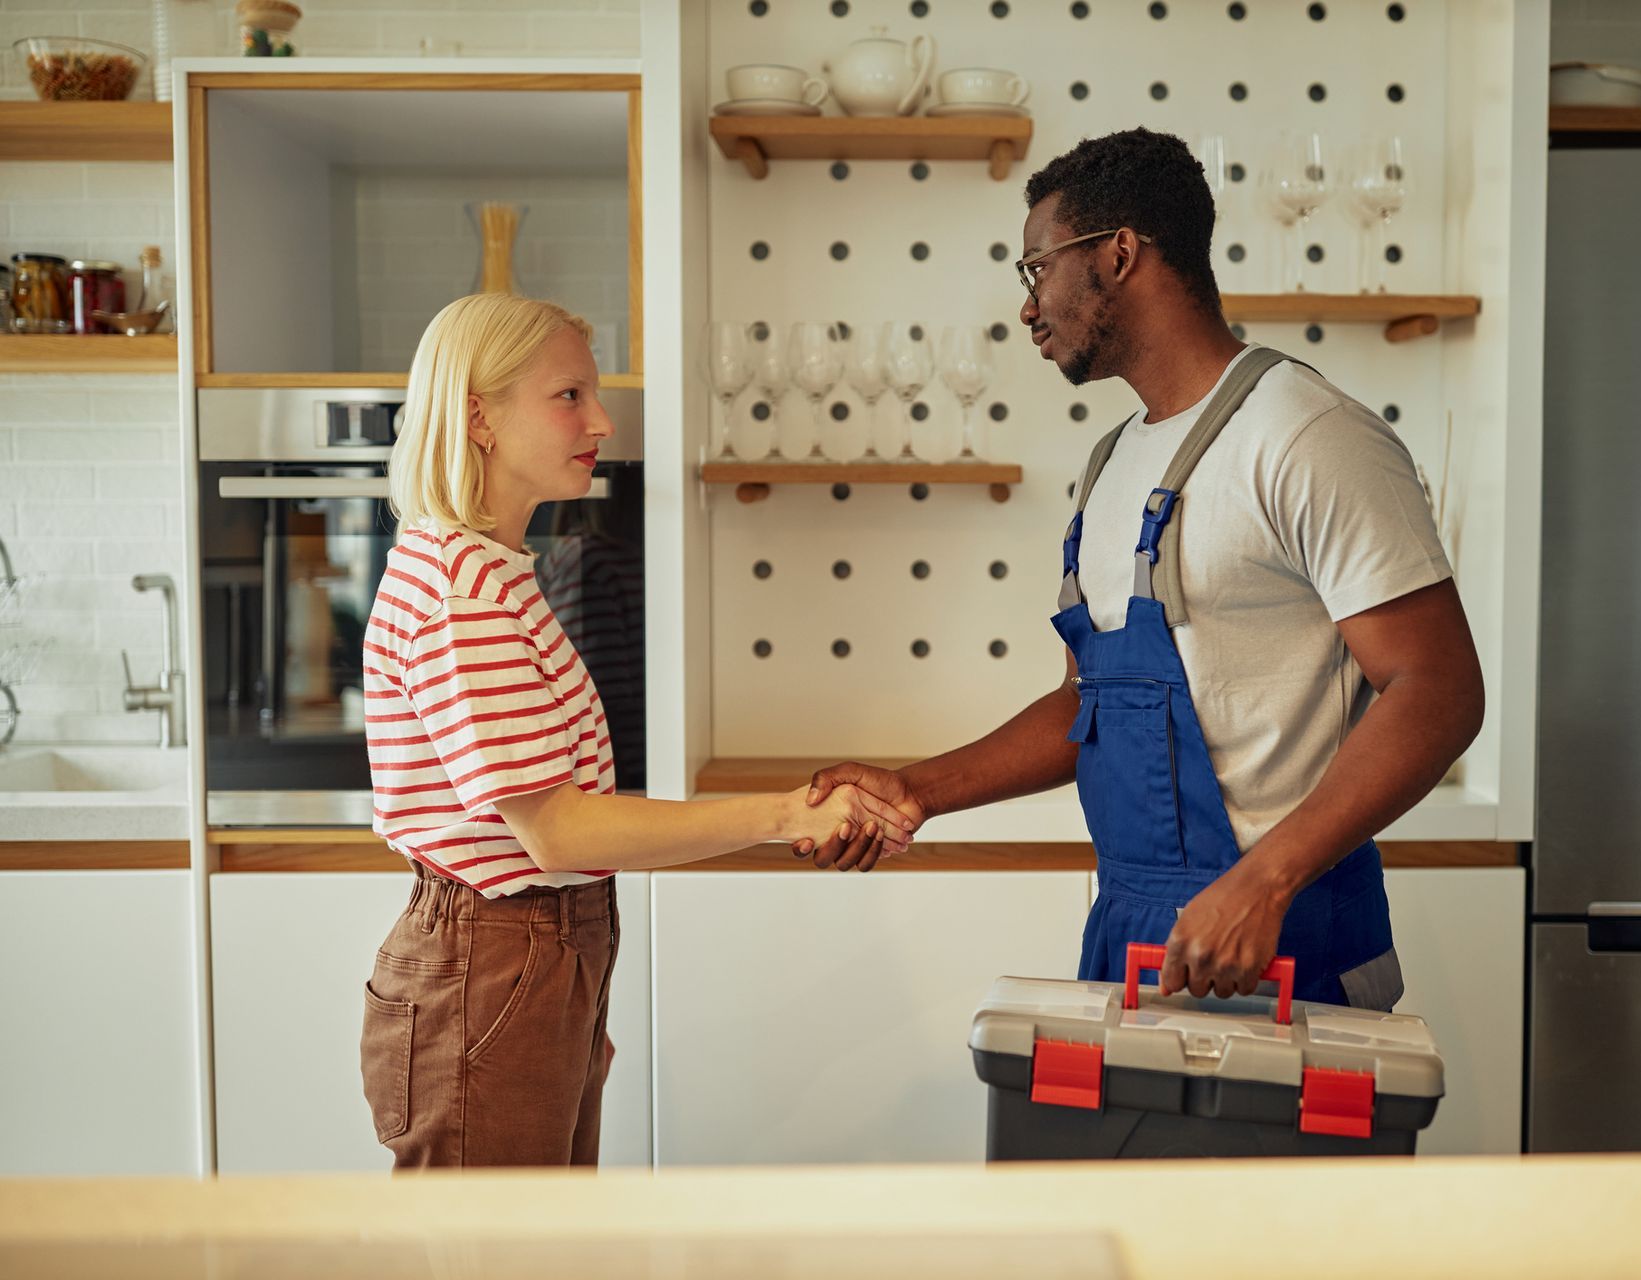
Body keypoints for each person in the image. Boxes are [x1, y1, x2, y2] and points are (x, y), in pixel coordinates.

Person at [798, 129, 1483, 1010]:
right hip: (1136, 929)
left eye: (1037, 268)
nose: (1028, 308)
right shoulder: (1112, 463)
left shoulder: (1309, 436)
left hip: (1286, 934)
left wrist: (1266, 883)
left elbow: (1439, 685)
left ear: (1118, 253)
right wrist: (915, 791)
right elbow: (1091, 707)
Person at [358, 293, 913, 1168]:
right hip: (495, 958)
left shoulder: (488, 574)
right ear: (480, 417)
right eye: (569, 395)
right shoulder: (460, 598)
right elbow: (561, 832)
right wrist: (781, 814)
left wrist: (567, 1005)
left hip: (527, 961)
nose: (603, 420)